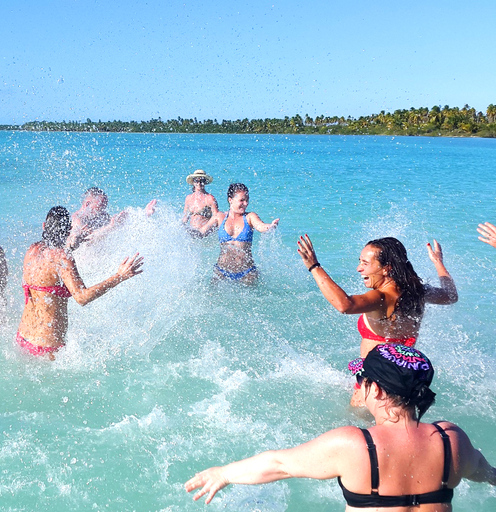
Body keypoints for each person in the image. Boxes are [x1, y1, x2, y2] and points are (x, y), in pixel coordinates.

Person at [186, 344, 496, 507]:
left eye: (361, 380)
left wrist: (223, 473)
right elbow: (486, 472)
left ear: (374, 390)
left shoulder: (355, 446)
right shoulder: (451, 439)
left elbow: (279, 464)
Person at [297, 235, 457, 359]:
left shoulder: (382, 297)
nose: (359, 268)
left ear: (387, 269)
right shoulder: (417, 292)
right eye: (360, 262)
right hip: (402, 376)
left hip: (376, 382)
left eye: (365, 263)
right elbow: (450, 296)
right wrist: (438, 262)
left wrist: (314, 266)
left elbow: (345, 305)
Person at [17, 206, 143, 359]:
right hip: (47, 346)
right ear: (69, 229)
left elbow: (49, 267)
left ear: (44, 225)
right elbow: (82, 297)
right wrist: (119, 276)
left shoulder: (32, 250)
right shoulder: (63, 257)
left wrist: (71, 246)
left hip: (23, 337)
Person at [197, 183, 279, 284]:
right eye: (242, 200)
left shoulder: (249, 217)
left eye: (247, 200)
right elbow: (201, 233)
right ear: (230, 200)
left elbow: (260, 226)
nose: (246, 203)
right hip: (221, 272)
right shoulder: (219, 217)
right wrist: (184, 231)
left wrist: (270, 227)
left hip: (247, 273)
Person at [70, 187, 157, 247]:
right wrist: (110, 226)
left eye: (105, 206)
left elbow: (120, 225)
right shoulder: (77, 219)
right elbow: (87, 241)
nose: (103, 210)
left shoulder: (100, 216)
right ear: (88, 204)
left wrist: (144, 214)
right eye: (100, 206)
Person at [181, 169, 219, 238]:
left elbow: (216, 217)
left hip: (204, 235)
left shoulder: (209, 198)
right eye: (196, 180)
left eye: (202, 181)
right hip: (191, 233)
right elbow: (185, 217)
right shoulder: (188, 198)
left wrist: (204, 230)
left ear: (205, 182)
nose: (199, 183)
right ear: (193, 182)